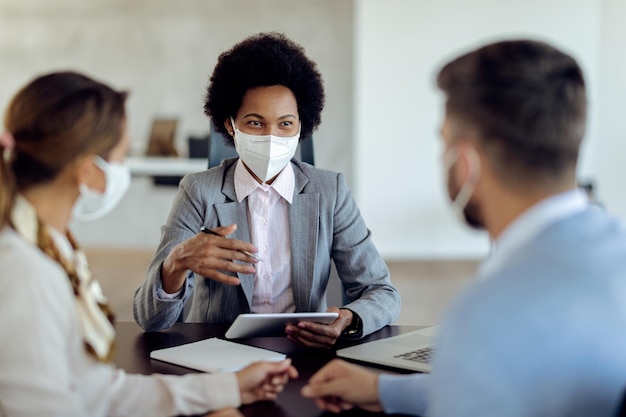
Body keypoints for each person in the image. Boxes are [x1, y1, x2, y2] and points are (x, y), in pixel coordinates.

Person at [301, 40, 626, 416]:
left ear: (466, 162)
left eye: (444, 143)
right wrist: (384, 390)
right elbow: (526, 381)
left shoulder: (490, 312)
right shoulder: (611, 251)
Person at [0, 71, 298, 417]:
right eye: (122, 156)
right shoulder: (24, 273)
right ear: (87, 171)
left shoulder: (53, 247)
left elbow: (96, 391)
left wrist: (228, 388)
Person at [133, 32, 400, 348]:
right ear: (230, 124)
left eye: (285, 124)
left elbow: (381, 292)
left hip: (304, 352)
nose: (272, 136)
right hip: (218, 352)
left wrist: (349, 319)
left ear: (302, 125)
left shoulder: (331, 191)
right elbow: (150, 319)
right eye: (255, 123)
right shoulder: (199, 192)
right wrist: (176, 263)